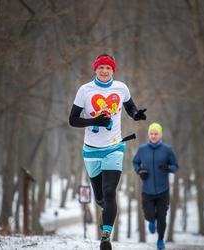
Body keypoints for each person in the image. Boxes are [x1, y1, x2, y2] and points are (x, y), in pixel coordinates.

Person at [69, 54, 146, 250]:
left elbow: (129, 106)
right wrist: (94, 121)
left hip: (114, 147)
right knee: (101, 198)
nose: (104, 71)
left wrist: (136, 114)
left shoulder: (121, 88)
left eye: (108, 68)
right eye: (101, 67)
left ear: (113, 70)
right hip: (91, 151)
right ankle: (105, 208)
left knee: (110, 192)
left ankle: (105, 238)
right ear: (95, 69)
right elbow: (73, 119)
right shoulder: (85, 90)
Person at [133, 122, 179, 250]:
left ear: (160, 135)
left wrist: (167, 167)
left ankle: (160, 240)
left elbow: (175, 167)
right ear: (149, 134)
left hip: (162, 190)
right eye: (151, 133)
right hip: (147, 189)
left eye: (156, 133)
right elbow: (135, 163)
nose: (153, 136)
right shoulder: (142, 150)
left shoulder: (167, 150)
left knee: (162, 217)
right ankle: (151, 221)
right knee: (148, 214)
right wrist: (140, 171)